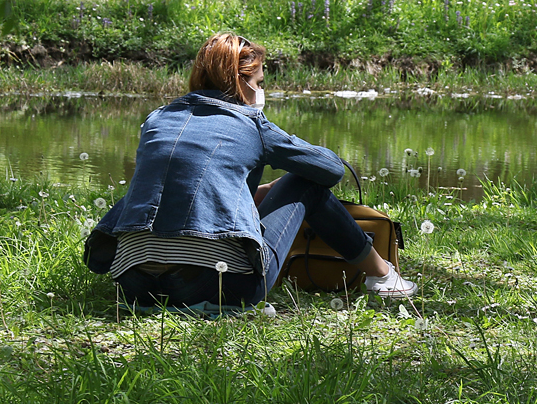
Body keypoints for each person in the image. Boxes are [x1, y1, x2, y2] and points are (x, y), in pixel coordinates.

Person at [84, 32, 417, 310]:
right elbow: (330, 171)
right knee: (306, 184)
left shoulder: (156, 119)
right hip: (217, 284)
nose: (262, 89)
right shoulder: (251, 123)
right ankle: (382, 276)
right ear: (242, 83)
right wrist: (267, 126)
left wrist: (261, 191)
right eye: (259, 81)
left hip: (134, 286)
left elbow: (186, 187)